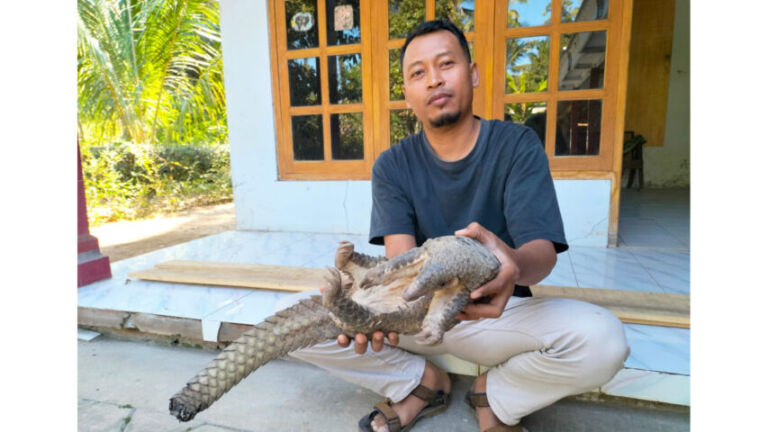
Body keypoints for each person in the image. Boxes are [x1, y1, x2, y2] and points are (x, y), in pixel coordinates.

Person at [275, 19, 629, 432]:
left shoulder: (516, 145)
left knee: (603, 340)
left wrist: (508, 263)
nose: (434, 80)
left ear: (473, 73)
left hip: (493, 316)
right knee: (287, 317)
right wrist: (365, 311)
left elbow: (541, 255)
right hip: (418, 318)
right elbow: (400, 267)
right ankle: (420, 382)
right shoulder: (392, 165)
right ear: (407, 93)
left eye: (446, 64)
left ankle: (496, 396)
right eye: (418, 73)